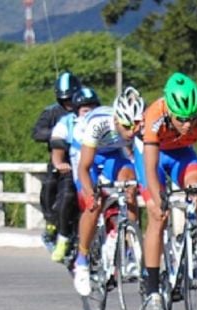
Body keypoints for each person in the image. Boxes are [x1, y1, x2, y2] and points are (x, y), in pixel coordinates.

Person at [133, 72, 197, 310]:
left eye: (192, 119)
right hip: (152, 155)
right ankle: (152, 292)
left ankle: (190, 238)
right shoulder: (154, 115)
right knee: (157, 215)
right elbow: (150, 168)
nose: (188, 125)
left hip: (181, 153)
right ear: (170, 110)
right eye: (182, 119)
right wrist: (157, 196)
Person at [73, 86, 144, 296]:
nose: (132, 131)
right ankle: (82, 261)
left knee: (130, 185)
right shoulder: (99, 124)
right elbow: (83, 168)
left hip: (113, 153)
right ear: (117, 119)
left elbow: (142, 164)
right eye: (127, 126)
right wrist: (90, 192)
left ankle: (130, 246)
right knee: (92, 205)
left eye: (136, 126)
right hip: (87, 153)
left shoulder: (138, 127)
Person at [48, 86, 102, 263]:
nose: (89, 114)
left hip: (100, 169)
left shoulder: (102, 122)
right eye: (86, 110)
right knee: (67, 196)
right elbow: (57, 142)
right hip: (74, 171)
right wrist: (59, 163)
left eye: (93, 109)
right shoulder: (68, 123)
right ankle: (63, 236)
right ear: (77, 111)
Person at [32, 71, 82, 250]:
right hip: (61, 159)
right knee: (49, 185)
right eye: (64, 99)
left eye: (71, 98)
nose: (68, 103)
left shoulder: (85, 108)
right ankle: (51, 221)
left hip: (85, 159)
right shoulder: (51, 111)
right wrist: (59, 135)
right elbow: (37, 132)